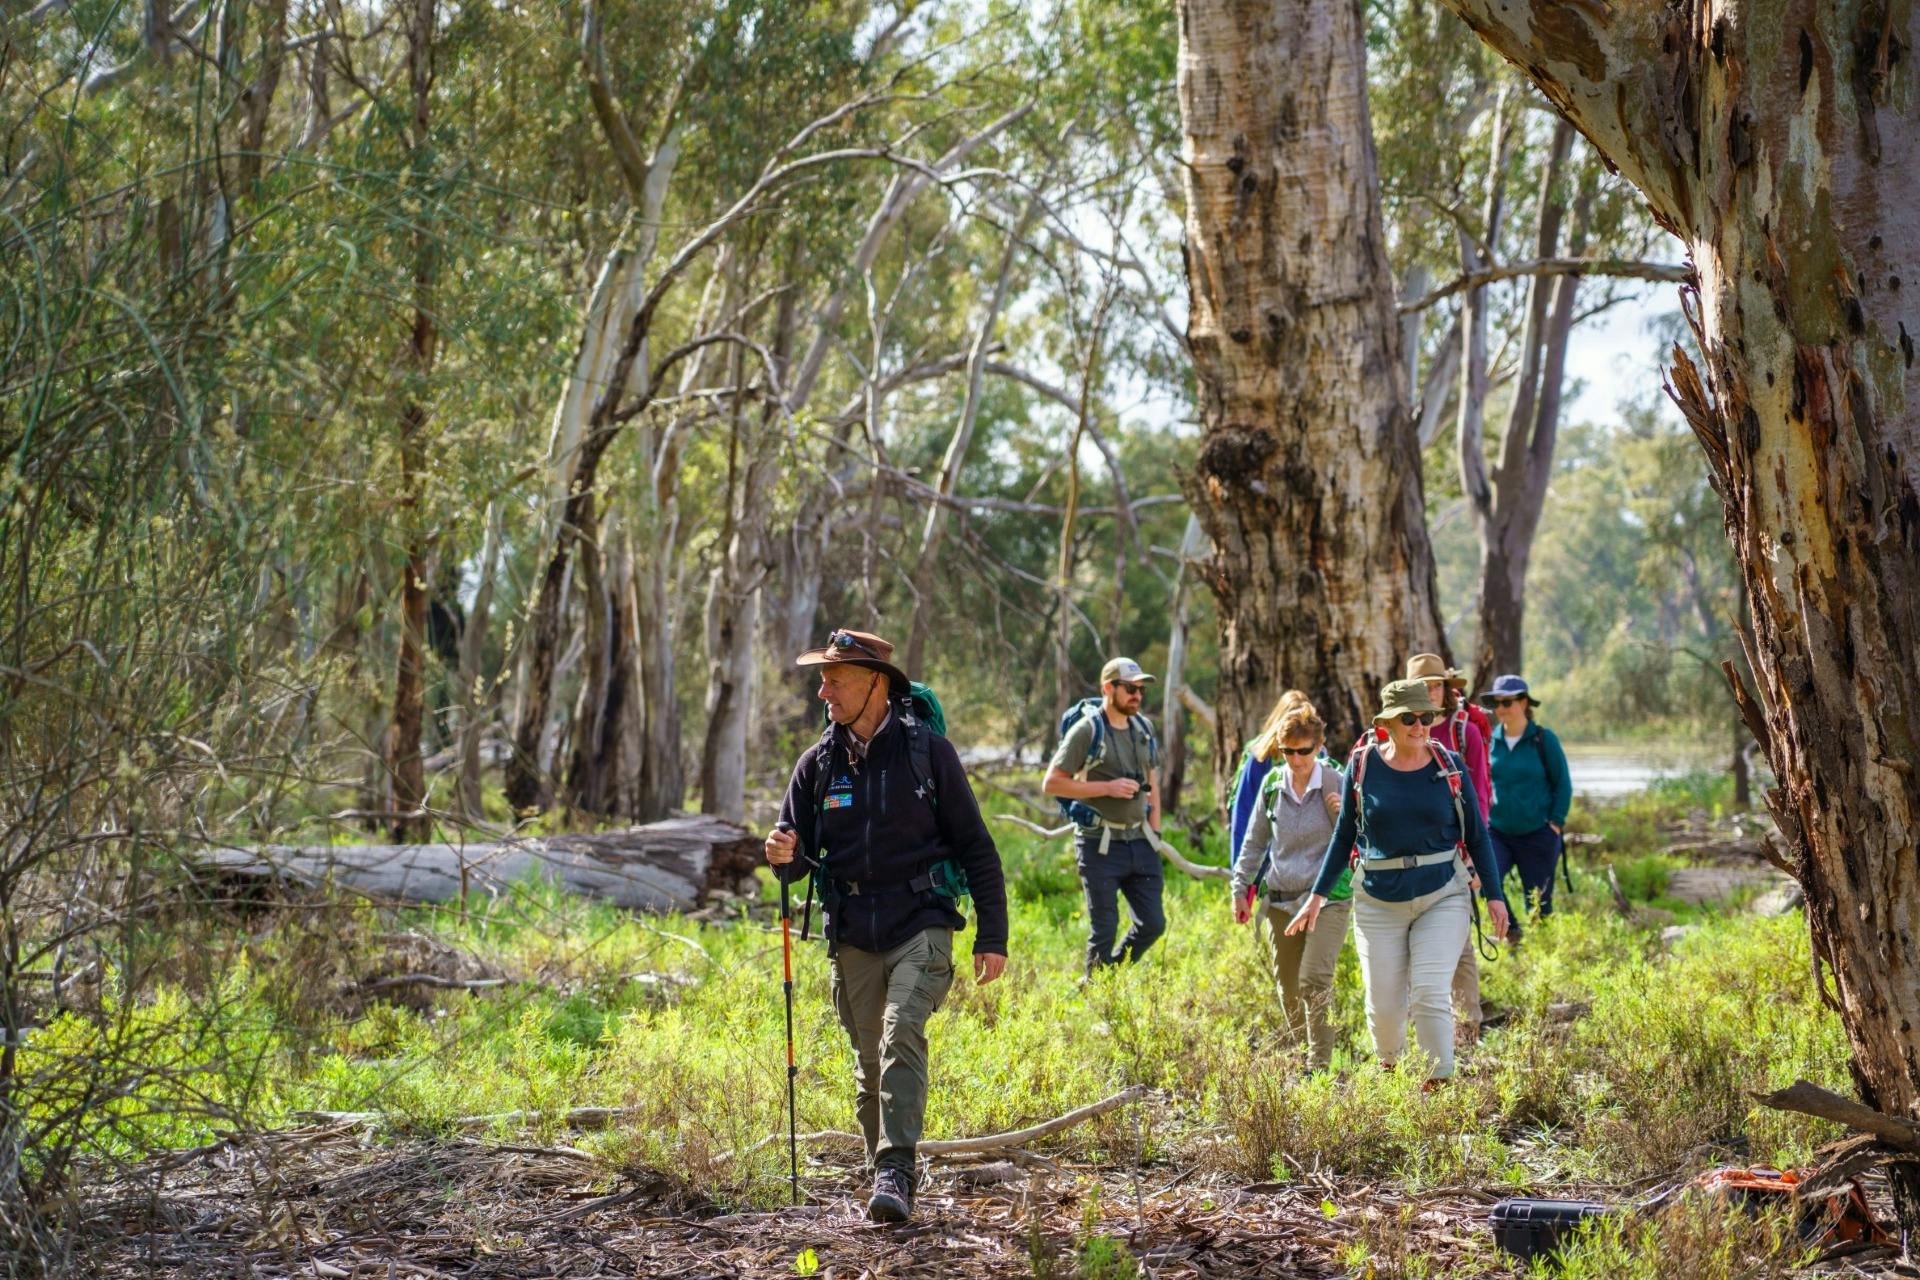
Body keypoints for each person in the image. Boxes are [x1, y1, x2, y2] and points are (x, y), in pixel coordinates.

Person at [763, 627, 1008, 1223]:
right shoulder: (817, 764)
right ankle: (882, 1165)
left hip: (921, 921)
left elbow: (977, 847)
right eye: (822, 678)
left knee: (902, 1034)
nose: (823, 691)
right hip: (851, 931)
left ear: (876, 682)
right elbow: (795, 861)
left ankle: (897, 1169)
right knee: (868, 1059)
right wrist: (780, 853)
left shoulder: (929, 753)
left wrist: (992, 936)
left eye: (835, 678)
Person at [1287, 680, 1509, 1084]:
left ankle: (1437, 1087)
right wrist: (1317, 896)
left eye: (1426, 716)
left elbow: (1476, 835)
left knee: (1428, 993)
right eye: (1410, 718)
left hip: (1443, 894)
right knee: (1385, 1007)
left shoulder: (1449, 765)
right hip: (1377, 902)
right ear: (1387, 723)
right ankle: (1391, 1078)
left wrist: (1495, 896)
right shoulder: (1363, 765)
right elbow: (1343, 836)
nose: (1420, 725)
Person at [1228, 691, 1348, 1071]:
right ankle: (1303, 1054)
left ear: (1319, 745)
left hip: (1328, 898)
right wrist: (1239, 887)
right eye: (1287, 752)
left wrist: (1343, 815)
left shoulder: (1336, 782)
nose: (1296, 760)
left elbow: (1360, 842)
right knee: (1289, 988)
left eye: (1304, 751)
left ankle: (1319, 1066)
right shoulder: (1272, 785)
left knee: (1315, 979)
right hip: (1280, 897)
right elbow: (1255, 840)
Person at [1043, 657, 1166, 977]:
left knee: (1154, 923)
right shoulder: (1087, 730)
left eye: (1140, 689)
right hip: (1099, 843)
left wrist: (1156, 831)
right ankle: (1096, 1000)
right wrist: (1107, 788)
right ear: (1108, 688)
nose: (1137, 695)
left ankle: (1107, 979)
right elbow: (1052, 783)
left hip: (1140, 841)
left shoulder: (1143, 727)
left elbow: (1152, 782)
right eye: (1130, 688)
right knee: (1104, 931)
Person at [1406, 654, 1494, 1045]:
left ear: (1447, 689)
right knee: (1408, 939)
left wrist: (1475, 855)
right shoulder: (1396, 734)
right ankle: (1418, 1027)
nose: (1431, 692)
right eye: (1423, 686)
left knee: (1458, 943)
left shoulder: (1463, 733)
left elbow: (1483, 798)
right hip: (1407, 856)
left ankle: (1466, 1026)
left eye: (1437, 684)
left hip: (1457, 852)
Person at [1481, 673, 1573, 923]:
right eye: (1495, 703)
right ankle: (1512, 935)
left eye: (1507, 702)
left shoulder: (1544, 740)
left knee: (1538, 901)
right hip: (1498, 833)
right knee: (1485, 882)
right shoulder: (1489, 741)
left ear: (1524, 703)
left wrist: (1555, 823)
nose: (1500, 709)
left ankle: (1541, 951)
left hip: (1538, 834)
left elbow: (1563, 783)